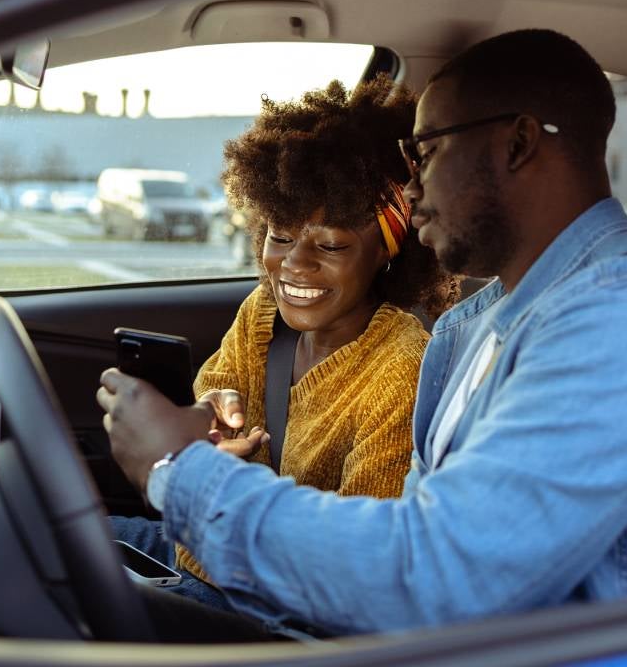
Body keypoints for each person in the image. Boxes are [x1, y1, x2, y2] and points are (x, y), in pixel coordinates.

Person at [97, 29, 627, 636]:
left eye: (425, 152)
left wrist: (181, 474)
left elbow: (439, 578)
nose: (412, 188)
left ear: (517, 143)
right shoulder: (487, 320)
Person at [111, 77, 457, 611]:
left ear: (389, 252)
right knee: (37, 529)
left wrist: (204, 478)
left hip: (270, 608)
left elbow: (354, 580)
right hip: (195, 552)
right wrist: (210, 422)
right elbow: (213, 397)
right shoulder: (263, 315)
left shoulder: (400, 373)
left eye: (331, 244)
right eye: (281, 235)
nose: (295, 265)